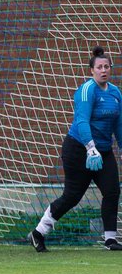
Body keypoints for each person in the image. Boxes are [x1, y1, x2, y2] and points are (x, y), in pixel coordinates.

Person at [28, 47, 122, 252]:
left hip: (103, 152)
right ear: (92, 70)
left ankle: (110, 239)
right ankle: (38, 233)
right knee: (72, 196)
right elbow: (81, 121)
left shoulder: (115, 93)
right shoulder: (87, 90)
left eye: (107, 66)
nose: (103, 70)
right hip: (79, 149)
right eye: (99, 67)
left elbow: (118, 125)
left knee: (113, 191)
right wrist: (90, 147)